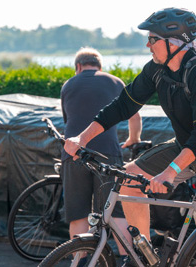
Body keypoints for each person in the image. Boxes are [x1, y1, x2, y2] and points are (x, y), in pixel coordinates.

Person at [64, 8, 196, 267]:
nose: (148, 44)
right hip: (186, 148)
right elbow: (124, 105)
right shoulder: (157, 70)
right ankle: (144, 259)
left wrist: (169, 172)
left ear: (174, 42)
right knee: (131, 179)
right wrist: (82, 138)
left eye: (153, 39)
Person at [60, 47, 141, 264]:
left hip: (74, 154)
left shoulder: (68, 85)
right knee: (116, 213)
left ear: (78, 67)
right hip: (108, 154)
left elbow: (68, 120)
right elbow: (135, 117)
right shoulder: (115, 82)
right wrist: (133, 139)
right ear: (100, 67)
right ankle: (128, 260)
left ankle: (80, 262)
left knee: (78, 214)